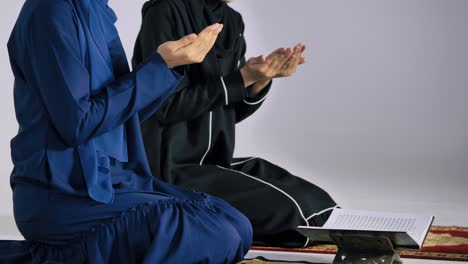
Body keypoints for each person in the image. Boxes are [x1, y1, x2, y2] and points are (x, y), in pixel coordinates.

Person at [1, 0, 252, 263]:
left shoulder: (99, 11)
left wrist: (170, 67)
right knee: (213, 233)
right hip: (64, 191)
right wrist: (160, 67)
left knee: (237, 224)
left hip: (116, 181)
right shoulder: (51, 10)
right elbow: (78, 123)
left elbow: (120, 117)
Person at [133, 0, 338, 248]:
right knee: (291, 214)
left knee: (320, 204)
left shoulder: (232, 20)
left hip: (216, 163)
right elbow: (163, 107)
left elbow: (228, 113)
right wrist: (241, 79)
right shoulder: (165, 9)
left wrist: (258, 81)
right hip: (168, 169)